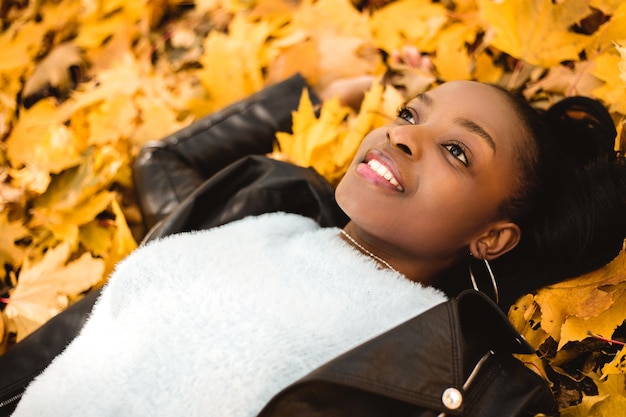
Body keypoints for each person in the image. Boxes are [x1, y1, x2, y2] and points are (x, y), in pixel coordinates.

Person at [8, 71, 626, 416]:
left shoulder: (465, 382)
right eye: (412, 114)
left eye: (457, 151)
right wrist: (310, 93)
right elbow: (161, 159)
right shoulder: (261, 208)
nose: (402, 137)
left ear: (491, 237)